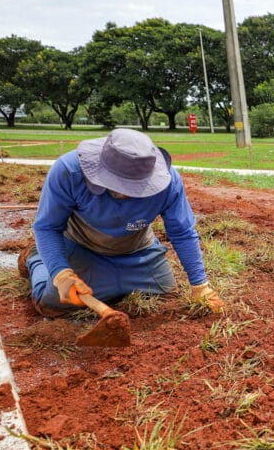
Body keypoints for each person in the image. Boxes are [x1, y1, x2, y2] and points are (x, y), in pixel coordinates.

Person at [18, 128, 225, 317]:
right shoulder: (69, 172)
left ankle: (112, 279)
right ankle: (37, 259)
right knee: (53, 305)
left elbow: (182, 232)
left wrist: (200, 284)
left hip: (137, 251)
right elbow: (48, 226)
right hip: (83, 247)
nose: (127, 195)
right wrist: (60, 272)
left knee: (165, 297)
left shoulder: (169, 183)